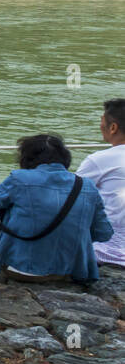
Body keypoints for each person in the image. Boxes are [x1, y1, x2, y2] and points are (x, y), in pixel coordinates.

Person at [0, 133, 112, 284]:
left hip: (18, 269)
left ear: (26, 158)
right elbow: (103, 233)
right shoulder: (86, 186)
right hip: (68, 271)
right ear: (65, 159)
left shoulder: (20, 179)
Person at [75, 98, 125, 268]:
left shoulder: (100, 160)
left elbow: (70, 195)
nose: (100, 126)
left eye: (102, 121)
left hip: (109, 251)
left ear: (113, 127)